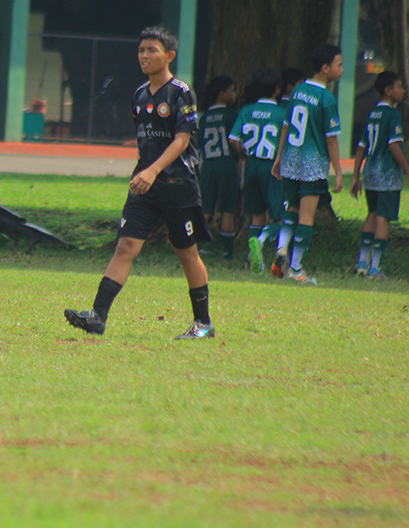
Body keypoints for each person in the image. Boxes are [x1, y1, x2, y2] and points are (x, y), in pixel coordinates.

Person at [65, 26, 215, 340]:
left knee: (187, 252)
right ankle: (98, 316)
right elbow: (144, 139)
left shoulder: (180, 92)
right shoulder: (139, 95)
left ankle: (203, 324)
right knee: (126, 246)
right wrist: (143, 173)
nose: (144, 56)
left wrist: (153, 170)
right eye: (141, 50)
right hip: (145, 186)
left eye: (152, 50)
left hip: (177, 184)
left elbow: (182, 140)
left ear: (169, 56)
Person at [270, 43, 344, 285]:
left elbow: (285, 125)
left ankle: (282, 247)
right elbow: (331, 139)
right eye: (339, 65)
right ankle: (296, 268)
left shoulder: (298, 90)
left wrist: (279, 157)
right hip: (312, 164)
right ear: (325, 68)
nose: (342, 69)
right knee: (306, 217)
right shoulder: (327, 98)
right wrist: (338, 171)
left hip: (290, 158)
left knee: (291, 208)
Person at [350, 71, 409, 279]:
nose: (402, 91)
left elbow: (360, 148)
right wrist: (407, 168)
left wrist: (355, 176)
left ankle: (362, 263)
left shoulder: (372, 113)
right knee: (383, 218)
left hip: (370, 171)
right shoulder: (393, 115)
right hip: (387, 173)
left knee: (372, 213)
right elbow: (393, 145)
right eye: (399, 86)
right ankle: (375, 268)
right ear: (388, 91)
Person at [228, 68, 288, 273]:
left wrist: (242, 155)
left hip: (251, 164)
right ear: (277, 89)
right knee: (280, 216)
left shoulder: (246, 111)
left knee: (256, 215)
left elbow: (233, 139)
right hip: (273, 166)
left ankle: (250, 256)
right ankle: (262, 242)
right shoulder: (282, 113)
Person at [198, 75, 239, 261]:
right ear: (222, 94)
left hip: (207, 165)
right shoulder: (231, 115)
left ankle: (202, 246)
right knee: (228, 208)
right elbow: (236, 140)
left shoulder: (204, 118)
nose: (235, 94)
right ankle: (227, 251)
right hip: (227, 164)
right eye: (232, 90)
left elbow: (199, 143)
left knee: (206, 207)